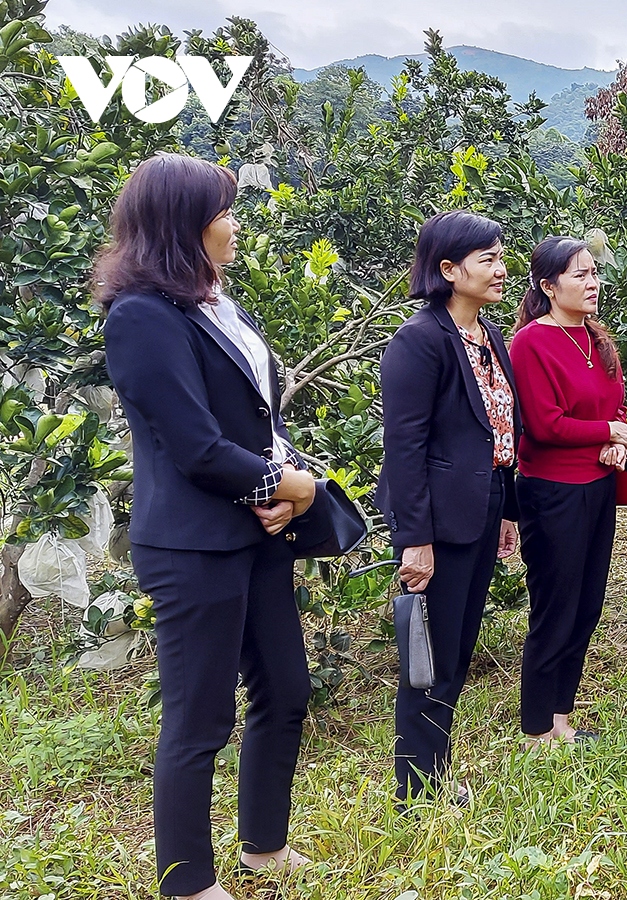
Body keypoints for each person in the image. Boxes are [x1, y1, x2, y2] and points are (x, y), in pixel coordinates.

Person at [99, 153, 318, 900]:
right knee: (199, 716)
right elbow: (191, 444)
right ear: (183, 225)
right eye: (223, 211)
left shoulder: (218, 305)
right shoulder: (140, 318)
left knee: (286, 688)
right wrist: (287, 484)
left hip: (257, 530)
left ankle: (264, 845)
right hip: (193, 541)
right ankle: (187, 882)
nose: (234, 223)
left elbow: (257, 417)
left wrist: (286, 486)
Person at [375, 211, 520, 802]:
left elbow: (499, 434)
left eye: (499, 255)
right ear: (447, 270)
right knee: (427, 652)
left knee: (456, 646)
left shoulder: (489, 337)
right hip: (436, 519)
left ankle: (433, 776)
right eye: (486, 259)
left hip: (482, 507)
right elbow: (404, 448)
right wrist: (415, 538)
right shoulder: (420, 342)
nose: (501, 269)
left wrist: (507, 509)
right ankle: (416, 788)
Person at [508, 236, 627, 745]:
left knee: (587, 605)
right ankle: (537, 726)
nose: (592, 282)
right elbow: (543, 424)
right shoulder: (532, 342)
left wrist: (617, 443)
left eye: (594, 273)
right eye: (579, 275)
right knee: (555, 606)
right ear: (548, 285)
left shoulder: (597, 340)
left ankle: (562, 718)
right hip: (553, 490)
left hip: (599, 486)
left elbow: (617, 409)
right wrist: (605, 433)